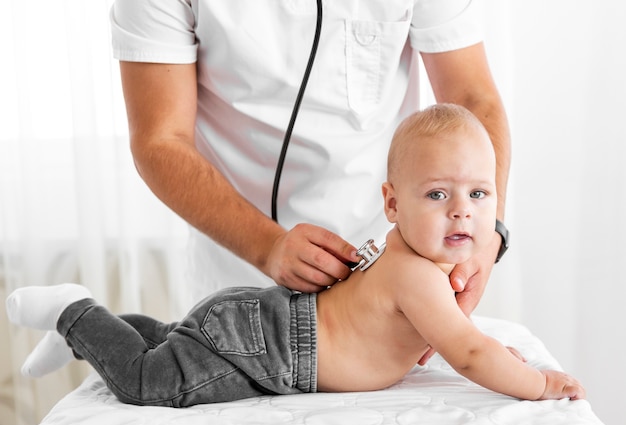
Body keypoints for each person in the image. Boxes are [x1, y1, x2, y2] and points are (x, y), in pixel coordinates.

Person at [6, 105, 583, 406]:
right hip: (273, 349)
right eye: (437, 194)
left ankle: (89, 332)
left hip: (264, 325)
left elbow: (463, 336)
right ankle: (74, 313)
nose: (463, 212)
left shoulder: (410, 259)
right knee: (152, 382)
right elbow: (472, 353)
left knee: (166, 340)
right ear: (392, 204)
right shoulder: (418, 276)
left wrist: (498, 351)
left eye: (479, 195)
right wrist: (539, 384)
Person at [110, 1, 512, 322]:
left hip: (395, 276)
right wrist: (268, 247)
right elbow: (160, 140)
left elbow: (473, 100)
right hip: (238, 278)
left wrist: (488, 234)